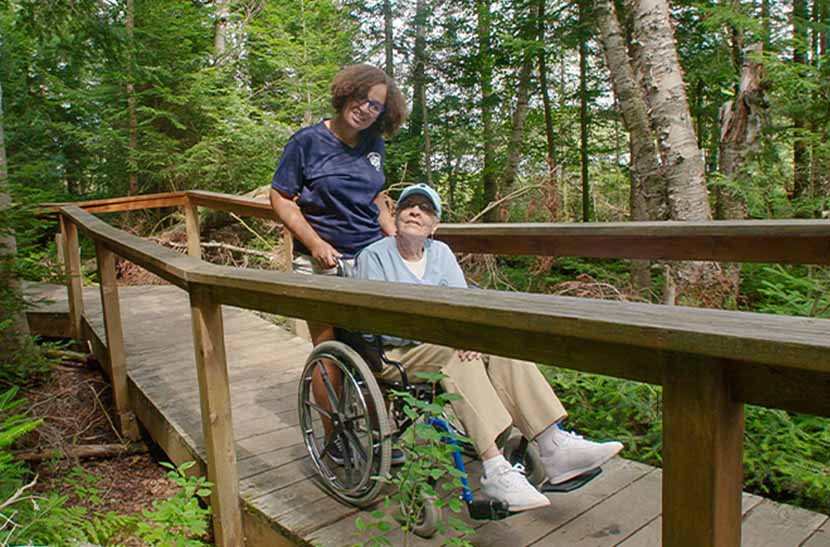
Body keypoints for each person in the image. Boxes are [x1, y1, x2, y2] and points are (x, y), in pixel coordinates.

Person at [354, 184, 623, 512]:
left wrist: (471, 335)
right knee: (457, 356)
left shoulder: (441, 255)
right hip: (397, 353)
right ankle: (495, 467)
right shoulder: (374, 256)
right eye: (408, 206)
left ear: (434, 225)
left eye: (425, 209)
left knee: (501, 345)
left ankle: (554, 446)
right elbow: (376, 323)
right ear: (395, 218)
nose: (414, 212)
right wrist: (452, 337)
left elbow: (464, 306)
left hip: (447, 342)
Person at [269, 64, 408, 459]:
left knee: (375, 346)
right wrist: (314, 242)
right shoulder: (307, 142)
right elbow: (280, 197)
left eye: (376, 106)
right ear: (347, 93)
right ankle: (336, 437)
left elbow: (376, 196)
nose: (366, 109)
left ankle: (382, 428)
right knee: (329, 347)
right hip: (321, 260)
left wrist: (391, 228)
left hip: (369, 258)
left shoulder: (374, 146)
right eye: (362, 98)